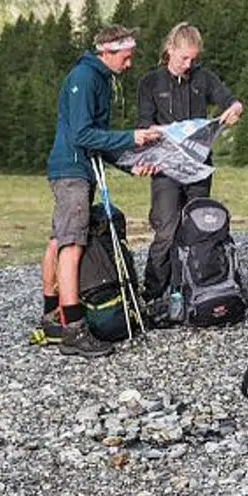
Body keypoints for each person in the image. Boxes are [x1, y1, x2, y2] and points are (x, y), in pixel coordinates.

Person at [40, 24, 161, 358]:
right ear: (107, 51)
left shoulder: (99, 79)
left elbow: (96, 138)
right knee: (72, 244)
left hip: (75, 169)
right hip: (72, 171)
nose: (130, 62)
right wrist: (131, 137)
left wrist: (129, 164)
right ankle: (73, 329)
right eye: (126, 56)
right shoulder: (85, 78)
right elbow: (82, 135)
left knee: (58, 240)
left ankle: (53, 315)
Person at [136, 22, 243, 310]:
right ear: (170, 49)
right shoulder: (150, 82)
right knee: (166, 229)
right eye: (184, 58)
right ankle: (153, 291)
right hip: (165, 167)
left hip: (197, 166)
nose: (189, 63)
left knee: (198, 226)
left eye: (193, 59)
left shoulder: (203, 78)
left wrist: (234, 110)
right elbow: (143, 124)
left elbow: (230, 100)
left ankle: (197, 284)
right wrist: (163, 131)